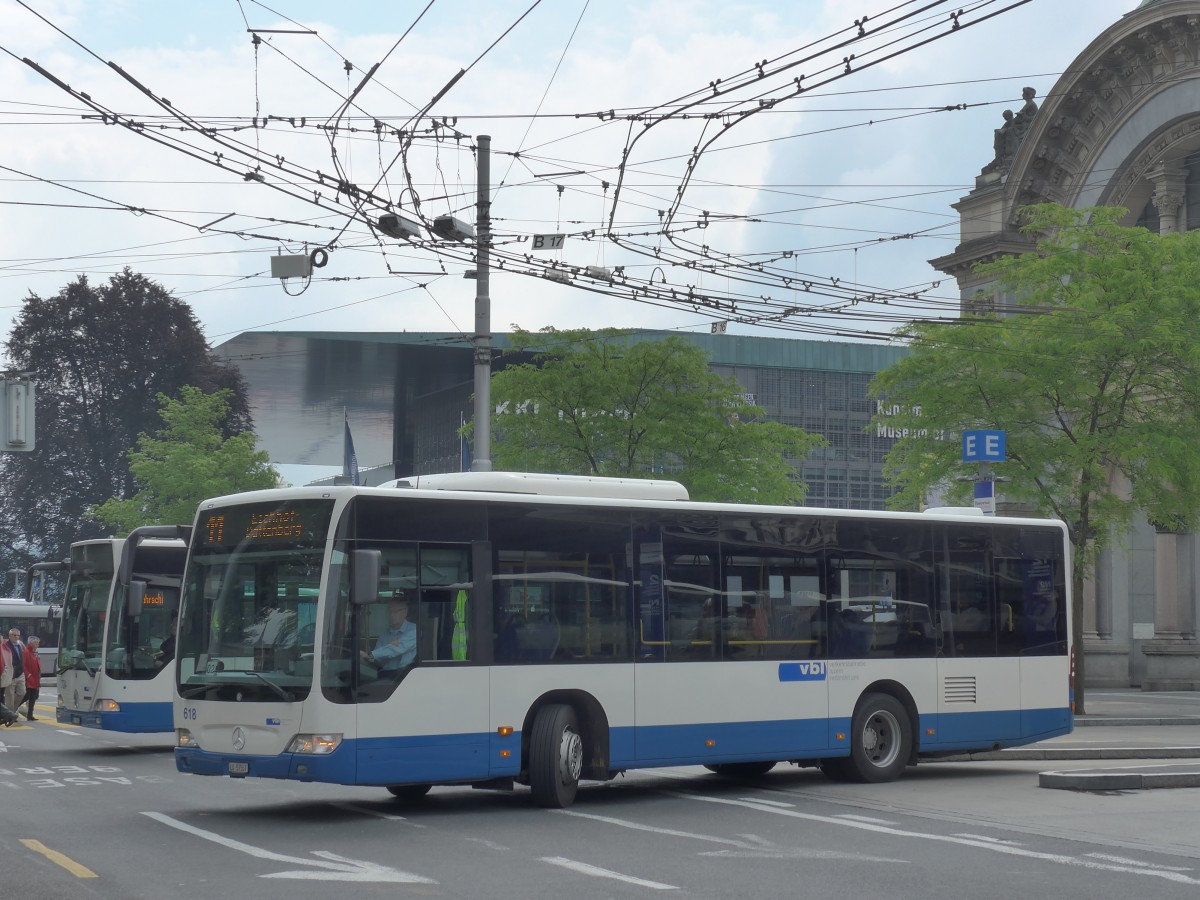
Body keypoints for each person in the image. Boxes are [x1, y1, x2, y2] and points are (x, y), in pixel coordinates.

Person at [361, 596, 417, 672]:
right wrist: (368, 657)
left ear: (405, 612)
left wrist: (371, 655)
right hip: (386, 674)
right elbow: (378, 658)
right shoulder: (385, 634)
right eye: (390, 611)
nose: (391, 615)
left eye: (395, 611)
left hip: (404, 675)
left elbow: (397, 649)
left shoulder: (413, 630)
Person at [4, 628, 25, 713]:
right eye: (14, 635)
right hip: (10, 674)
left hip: (20, 673)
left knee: (22, 692)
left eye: (18, 635)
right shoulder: (6, 645)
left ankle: (12, 711)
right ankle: (10, 714)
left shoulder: (20, 645)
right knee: (10, 696)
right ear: (10, 636)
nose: (16, 637)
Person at [20, 636, 41, 721]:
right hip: (30, 678)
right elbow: (23, 665)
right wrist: (27, 675)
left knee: (33, 697)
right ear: (31, 644)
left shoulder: (33, 652)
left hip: (35, 678)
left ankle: (30, 715)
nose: (38, 645)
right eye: (36, 643)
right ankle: (13, 710)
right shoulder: (26, 652)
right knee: (26, 696)